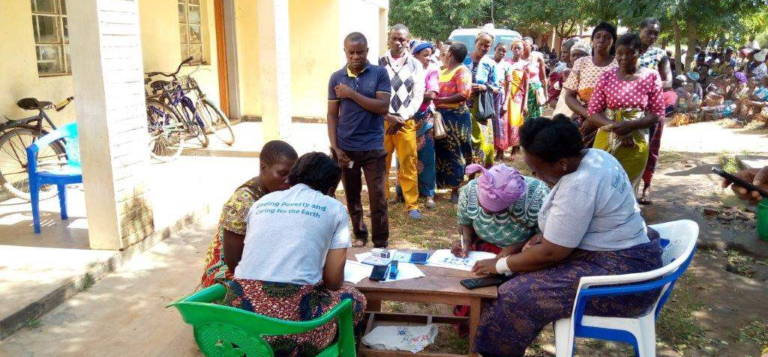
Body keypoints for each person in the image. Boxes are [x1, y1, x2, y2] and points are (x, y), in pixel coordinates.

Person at [471, 116, 662, 357]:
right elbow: (569, 226)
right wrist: (524, 244)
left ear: (561, 163)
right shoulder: (596, 156)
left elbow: (552, 253)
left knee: (514, 294)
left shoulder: (579, 185)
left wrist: (499, 265)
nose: (535, 175)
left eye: (538, 170)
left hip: (625, 281)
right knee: (519, 269)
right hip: (626, 254)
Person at [228, 152, 367, 357]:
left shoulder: (260, 204)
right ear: (330, 189)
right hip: (292, 336)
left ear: (293, 176)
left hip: (238, 329)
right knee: (355, 299)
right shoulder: (334, 208)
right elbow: (333, 282)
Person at [200, 141, 298, 288]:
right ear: (263, 168)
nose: (289, 180)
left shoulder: (277, 192)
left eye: (292, 174)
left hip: (257, 264)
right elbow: (234, 262)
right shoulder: (242, 202)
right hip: (225, 274)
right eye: (282, 173)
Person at [327, 32, 392, 248]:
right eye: (351, 52)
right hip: (347, 148)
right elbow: (332, 115)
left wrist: (351, 94)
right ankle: (360, 234)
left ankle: (381, 241)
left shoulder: (379, 74)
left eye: (360, 52)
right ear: (345, 52)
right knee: (352, 197)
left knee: (378, 198)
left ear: (367, 51)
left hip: (373, 147)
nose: (355, 56)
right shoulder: (336, 77)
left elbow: (382, 107)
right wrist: (336, 147)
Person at [587, 33, 664, 189]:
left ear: (640, 52)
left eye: (630, 53)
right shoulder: (606, 77)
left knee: (626, 188)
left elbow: (657, 114)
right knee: (600, 184)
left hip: (636, 142)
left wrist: (631, 125)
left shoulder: (651, 76)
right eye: (619, 53)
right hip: (607, 137)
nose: (624, 58)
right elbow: (593, 113)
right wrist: (619, 129)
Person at [451, 164, 550, 257]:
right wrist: (465, 241)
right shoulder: (470, 190)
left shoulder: (539, 195)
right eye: (481, 205)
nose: (486, 212)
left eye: (494, 211)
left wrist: (516, 248)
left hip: (522, 253)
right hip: (482, 250)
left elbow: (544, 234)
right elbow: (465, 223)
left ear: (512, 202)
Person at [379, 24, 426, 220]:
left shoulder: (416, 65)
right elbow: (374, 92)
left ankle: (411, 204)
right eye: (395, 38)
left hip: (406, 121)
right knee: (381, 161)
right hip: (382, 120)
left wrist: (402, 117)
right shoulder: (379, 63)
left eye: (403, 39)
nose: (399, 43)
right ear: (388, 39)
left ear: (408, 41)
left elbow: (418, 95)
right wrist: (388, 115)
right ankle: (381, 200)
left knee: (408, 162)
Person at [637, 17, 674, 205]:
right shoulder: (628, 50)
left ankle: (646, 186)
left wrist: (646, 85)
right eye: (649, 32)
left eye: (656, 34)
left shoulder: (660, 54)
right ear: (640, 30)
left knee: (650, 147)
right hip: (628, 108)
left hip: (652, 108)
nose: (652, 36)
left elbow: (668, 81)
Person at [564, 22, 618, 148]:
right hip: (582, 116)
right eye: (598, 36)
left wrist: (597, 119)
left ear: (613, 42)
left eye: (607, 37)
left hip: (610, 118)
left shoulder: (618, 65)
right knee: (570, 153)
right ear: (592, 40)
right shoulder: (581, 63)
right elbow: (569, 97)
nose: (601, 40)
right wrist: (590, 116)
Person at [434, 42, 473, 203]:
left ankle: (455, 189)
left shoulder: (462, 71)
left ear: (450, 54)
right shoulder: (442, 71)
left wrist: (439, 100)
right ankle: (439, 184)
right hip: (440, 116)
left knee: (456, 151)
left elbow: (464, 94)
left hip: (456, 117)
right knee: (440, 150)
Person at [412, 41, 440, 209]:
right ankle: (404, 192)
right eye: (424, 55)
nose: (428, 58)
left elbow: (432, 93)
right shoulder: (407, 69)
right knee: (405, 157)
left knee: (427, 156)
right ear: (415, 56)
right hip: (407, 118)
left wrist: (412, 95)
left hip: (425, 117)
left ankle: (429, 193)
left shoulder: (432, 70)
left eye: (430, 54)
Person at [464, 32, 498, 167]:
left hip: (481, 107)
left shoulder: (490, 64)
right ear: (475, 42)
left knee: (481, 140)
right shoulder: (464, 59)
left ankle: (477, 171)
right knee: (464, 137)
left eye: (487, 46)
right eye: (481, 44)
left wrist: (484, 86)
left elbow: (497, 88)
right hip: (462, 105)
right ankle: (464, 169)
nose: (483, 47)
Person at [505, 39, 531, 157]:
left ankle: (514, 149)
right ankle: (501, 149)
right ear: (511, 49)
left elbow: (526, 85)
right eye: (515, 47)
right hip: (506, 96)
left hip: (517, 98)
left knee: (516, 122)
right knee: (504, 122)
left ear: (523, 50)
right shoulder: (506, 63)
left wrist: (525, 103)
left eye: (519, 48)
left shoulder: (525, 65)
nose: (517, 50)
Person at [552, 40, 590, 117]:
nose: (576, 58)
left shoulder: (593, 75)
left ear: (588, 56)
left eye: (580, 55)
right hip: (564, 115)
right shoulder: (564, 73)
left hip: (586, 115)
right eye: (573, 55)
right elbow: (552, 96)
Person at [491, 42, 513, 160]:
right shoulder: (489, 62)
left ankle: (500, 151)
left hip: (501, 96)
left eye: (504, 51)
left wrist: (505, 102)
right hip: (489, 95)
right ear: (495, 49)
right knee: (490, 122)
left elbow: (509, 85)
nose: (502, 53)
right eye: (500, 50)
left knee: (500, 123)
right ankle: (490, 150)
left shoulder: (507, 65)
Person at [522, 36, 548, 121]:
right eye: (523, 45)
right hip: (522, 93)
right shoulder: (518, 58)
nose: (524, 47)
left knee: (536, 119)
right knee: (522, 117)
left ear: (531, 46)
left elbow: (543, 79)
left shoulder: (537, 58)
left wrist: (546, 94)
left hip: (535, 93)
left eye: (526, 45)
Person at [547, 38, 577, 109]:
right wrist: (564, 110)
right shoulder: (559, 70)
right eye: (562, 52)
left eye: (565, 52)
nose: (562, 55)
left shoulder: (585, 70)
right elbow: (552, 98)